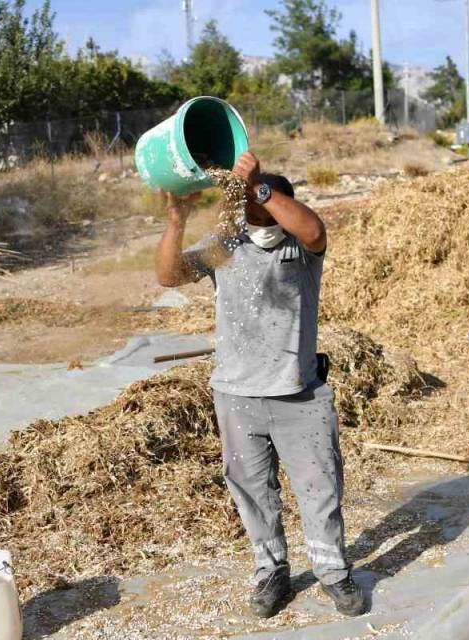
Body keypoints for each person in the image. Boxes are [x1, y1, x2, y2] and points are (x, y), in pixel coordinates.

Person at [154, 151, 366, 619]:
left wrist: (259, 186)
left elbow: (313, 229)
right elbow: (169, 275)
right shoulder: (226, 245)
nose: (256, 208)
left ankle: (333, 573)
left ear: (278, 200)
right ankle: (271, 572)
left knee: (320, 489)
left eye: (265, 199)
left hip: (300, 394)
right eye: (251, 200)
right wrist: (176, 221)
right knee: (251, 492)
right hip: (236, 395)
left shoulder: (298, 247)